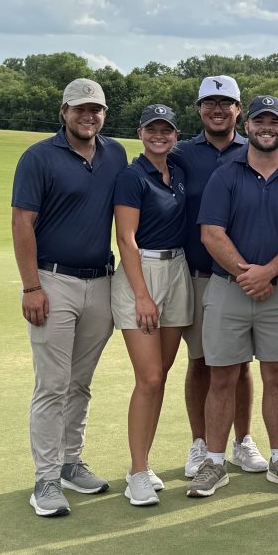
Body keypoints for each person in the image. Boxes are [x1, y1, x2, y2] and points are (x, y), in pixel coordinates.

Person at [186, 96, 278, 497]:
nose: (266, 128)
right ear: (248, 127)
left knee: (277, 375)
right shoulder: (225, 175)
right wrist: (250, 275)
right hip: (230, 290)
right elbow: (211, 233)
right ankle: (213, 462)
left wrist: (269, 272)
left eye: (274, 122)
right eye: (260, 121)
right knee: (222, 376)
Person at [11, 78, 127, 517]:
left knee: (80, 382)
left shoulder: (115, 154)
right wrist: (31, 287)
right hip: (52, 280)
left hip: (101, 282)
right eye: (79, 109)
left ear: (104, 113)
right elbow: (22, 222)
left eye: (95, 109)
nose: (88, 116)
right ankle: (45, 478)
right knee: (52, 384)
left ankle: (69, 463)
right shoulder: (39, 157)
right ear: (64, 112)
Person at [171, 76, 267, 478]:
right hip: (198, 274)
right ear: (199, 109)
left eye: (225, 103)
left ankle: (242, 441)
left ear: (238, 110)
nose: (217, 110)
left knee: (240, 363)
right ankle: (200, 443)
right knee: (200, 361)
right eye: (209, 103)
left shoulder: (255, 149)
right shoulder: (180, 153)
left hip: (241, 277)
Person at [111, 104, 195, 506]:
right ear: (140, 133)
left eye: (166, 130)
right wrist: (142, 295)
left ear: (176, 135)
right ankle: (137, 470)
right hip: (141, 273)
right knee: (148, 378)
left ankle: (142, 464)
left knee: (160, 374)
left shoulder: (177, 172)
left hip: (177, 268)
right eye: (152, 129)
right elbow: (125, 239)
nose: (159, 135)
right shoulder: (132, 177)